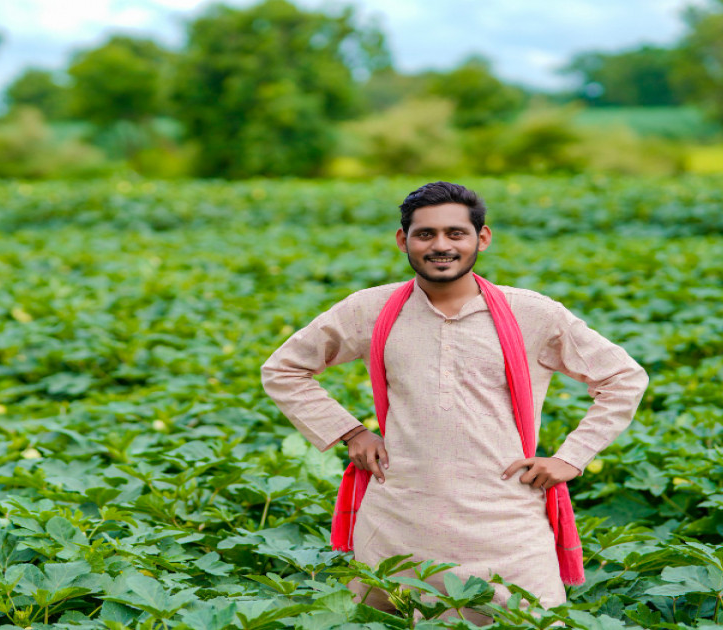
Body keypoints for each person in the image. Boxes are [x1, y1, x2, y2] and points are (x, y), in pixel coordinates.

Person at [260, 181, 649, 624]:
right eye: (425, 234)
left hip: (507, 522)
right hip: (398, 519)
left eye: (455, 233)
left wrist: (572, 458)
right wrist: (350, 431)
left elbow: (623, 377)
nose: (440, 245)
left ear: (481, 238)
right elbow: (283, 368)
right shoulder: (368, 309)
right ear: (402, 240)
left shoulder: (534, 314)